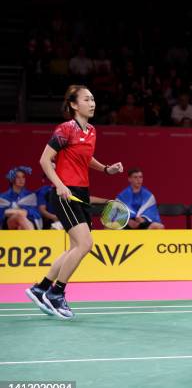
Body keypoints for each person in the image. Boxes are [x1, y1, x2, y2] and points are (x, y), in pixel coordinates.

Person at [25, 84, 123, 319]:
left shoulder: (91, 131)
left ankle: (41, 289)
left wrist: (106, 169)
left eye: (93, 99)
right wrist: (59, 185)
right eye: (87, 99)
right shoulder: (65, 129)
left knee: (74, 247)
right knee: (85, 244)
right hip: (65, 193)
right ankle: (56, 293)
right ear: (73, 104)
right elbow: (45, 160)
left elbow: (86, 158)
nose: (92, 103)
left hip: (81, 193)